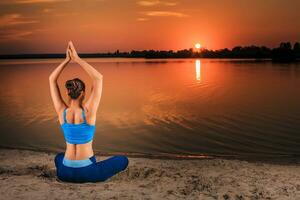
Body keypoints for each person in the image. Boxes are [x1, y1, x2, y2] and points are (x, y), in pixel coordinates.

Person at [49, 41, 128, 183]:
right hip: (87, 173)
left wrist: (66, 60)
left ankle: (78, 164)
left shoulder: (62, 112)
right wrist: (77, 59)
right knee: (123, 160)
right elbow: (98, 78)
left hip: (65, 172)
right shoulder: (88, 112)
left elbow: (51, 79)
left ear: (67, 92)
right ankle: (88, 165)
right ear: (83, 94)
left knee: (58, 157)